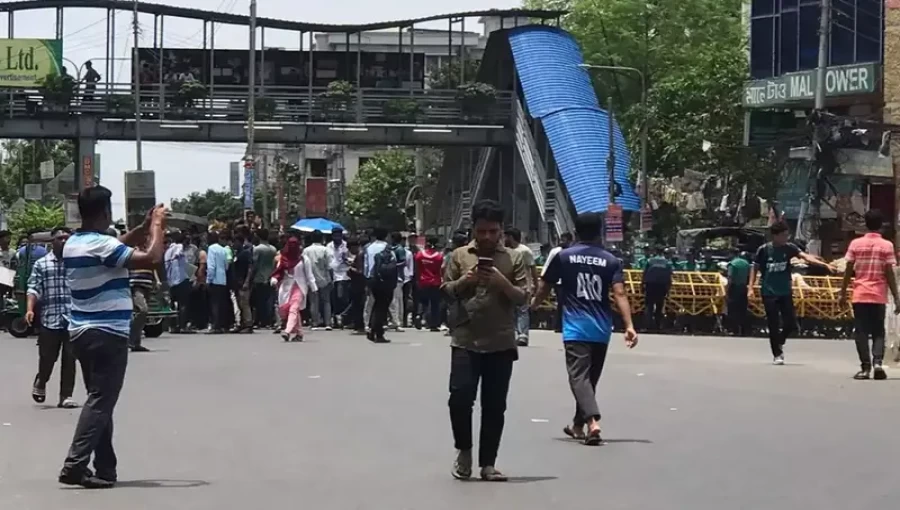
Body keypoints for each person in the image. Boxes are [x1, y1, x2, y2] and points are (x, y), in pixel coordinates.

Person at [58, 186, 167, 489]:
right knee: (101, 400)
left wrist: (142, 228)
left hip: (82, 332)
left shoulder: (76, 243)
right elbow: (152, 258)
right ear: (105, 212)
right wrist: (157, 225)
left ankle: (105, 468)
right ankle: (75, 464)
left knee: (100, 401)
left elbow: (116, 245)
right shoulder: (100, 245)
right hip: (108, 333)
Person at [532, 213, 638, 445]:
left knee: (578, 376)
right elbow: (619, 293)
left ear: (576, 231)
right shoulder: (611, 260)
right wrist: (629, 325)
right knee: (590, 378)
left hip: (575, 327)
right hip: (601, 328)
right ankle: (577, 425)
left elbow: (545, 286)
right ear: (599, 231)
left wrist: (532, 305)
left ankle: (592, 422)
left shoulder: (564, 256)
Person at [443, 200, 527, 482]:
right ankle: (464, 450)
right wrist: (467, 280)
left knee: (494, 405)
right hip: (465, 339)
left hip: (500, 342)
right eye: (482, 231)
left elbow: (524, 297)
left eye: (493, 231)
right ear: (473, 230)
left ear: (501, 230)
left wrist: (502, 283)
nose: (488, 237)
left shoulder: (514, 259)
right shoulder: (458, 255)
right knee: (460, 399)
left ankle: (488, 463)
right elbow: (447, 290)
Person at [749, 221, 834, 365]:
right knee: (773, 323)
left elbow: (806, 257)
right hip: (768, 291)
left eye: (786, 235)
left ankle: (780, 340)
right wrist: (750, 287)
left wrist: (824, 264)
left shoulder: (789, 248)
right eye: (783, 235)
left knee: (791, 323)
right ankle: (777, 353)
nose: (785, 238)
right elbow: (755, 268)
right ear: (775, 236)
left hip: (785, 291)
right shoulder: (764, 250)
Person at [839, 210, 900, 380]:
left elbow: (848, 269)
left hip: (860, 293)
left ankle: (865, 368)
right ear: (881, 226)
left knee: (861, 332)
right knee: (879, 331)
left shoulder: (855, 244)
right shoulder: (887, 245)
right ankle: (878, 363)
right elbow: (889, 272)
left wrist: (842, 293)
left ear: (865, 224)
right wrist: (896, 297)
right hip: (878, 294)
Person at [26, 227, 80, 409]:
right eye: (60, 238)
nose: (64, 241)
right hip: (50, 318)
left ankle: (66, 395)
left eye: (67, 238)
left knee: (70, 358)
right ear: (53, 241)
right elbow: (33, 288)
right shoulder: (42, 264)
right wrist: (30, 309)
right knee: (47, 358)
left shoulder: (76, 263)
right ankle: (41, 380)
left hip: (72, 318)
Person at [271, 234, 316, 342]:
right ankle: (299, 333)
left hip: (300, 287)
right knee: (288, 310)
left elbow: (309, 275)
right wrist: (274, 279)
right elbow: (278, 272)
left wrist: (314, 288)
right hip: (286, 288)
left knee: (294, 308)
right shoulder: (283, 259)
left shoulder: (304, 259)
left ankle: (287, 331)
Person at [504, 228, 538, 347]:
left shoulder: (524, 251)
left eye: (506, 236)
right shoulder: (505, 251)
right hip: (508, 284)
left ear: (511, 237)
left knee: (522, 310)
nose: (504, 239)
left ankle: (523, 335)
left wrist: (534, 286)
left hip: (523, 284)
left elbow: (532, 269)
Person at [368, 229, 399, 343]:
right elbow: (394, 266)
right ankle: (378, 333)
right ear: (386, 237)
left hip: (373, 280)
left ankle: (372, 329)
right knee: (382, 308)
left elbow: (368, 265)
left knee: (376, 306)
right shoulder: (389, 249)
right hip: (386, 282)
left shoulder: (369, 248)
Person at [127, 240, 157, 353]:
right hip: (136, 285)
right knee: (142, 310)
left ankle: (136, 343)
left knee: (142, 314)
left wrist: (156, 281)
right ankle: (131, 338)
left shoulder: (148, 253)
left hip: (147, 284)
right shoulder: (132, 252)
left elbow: (153, 268)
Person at [542, 232, 574, 333]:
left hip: (571, 281)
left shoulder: (572, 251)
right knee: (561, 302)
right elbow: (548, 264)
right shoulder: (555, 251)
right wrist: (543, 277)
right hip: (559, 282)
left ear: (570, 241)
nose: (562, 242)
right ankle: (559, 326)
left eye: (565, 240)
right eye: (561, 239)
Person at [303, 231, 334, 330]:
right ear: (322, 239)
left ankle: (315, 322)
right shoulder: (326, 250)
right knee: (326, 301)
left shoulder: (306, 250)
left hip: (311, 279)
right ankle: (328, 323)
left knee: (313, 301)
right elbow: (330, 266)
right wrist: (332, 278)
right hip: (324, 278)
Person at [414, 236, 444, 332]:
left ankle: (419, 315)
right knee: (434, 303)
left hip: (422, 281)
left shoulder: (419, 255)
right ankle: (433, 324)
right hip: (435, 282)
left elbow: (417, 269)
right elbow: (440, 270)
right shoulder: (439, 257)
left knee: (422, 301)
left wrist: (418, 279)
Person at [363, 228, 390, 329]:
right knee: (382, 303)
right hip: (384, 278)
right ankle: (379, 324)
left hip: (371, 277)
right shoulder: (387, 247)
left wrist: (366, 277)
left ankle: (367, 322)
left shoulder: (369, 247)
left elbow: (366, 264)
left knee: (370, 302)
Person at [165, 232, 191, 334]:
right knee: (183, 304)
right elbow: (178, 252)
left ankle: (173, 326)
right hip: (181, 279)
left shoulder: (168, 251)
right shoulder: (179, 247)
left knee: (172, 303)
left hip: (171, 280)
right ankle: (182, 326)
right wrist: (178, 255)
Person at [642, 248, 673, 333]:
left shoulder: (649, 261)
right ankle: (658, 326)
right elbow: (670, 276)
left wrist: (642, 285)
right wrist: (668, 289)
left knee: (649, 307)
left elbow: (644, 273)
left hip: (650, 286)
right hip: (662, 287)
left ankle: (648, 327)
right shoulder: (667, 262)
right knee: (659, 307)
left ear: (655, 252)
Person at [251, 229, 277, 329]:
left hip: (259, 277)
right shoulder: (273, 249)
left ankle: (261, 320)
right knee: (268, 300)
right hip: (270, 275)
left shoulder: (257, 249)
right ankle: (268, 320)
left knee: (259, 301)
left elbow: (255, 264)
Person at [206, 232, 229, 334]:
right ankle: (221, 325)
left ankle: (215, 325)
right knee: (221, 303)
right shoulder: (223, 249)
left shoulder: (211, 249)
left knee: (214, 303)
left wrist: (208, 280)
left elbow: (211, 266)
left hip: (214, 279)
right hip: (223, 279)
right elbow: (226, 265)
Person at [232, 231, 255, 333]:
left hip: (244, 282)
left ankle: (248, 324)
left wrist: (247, 281)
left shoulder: (246, 253)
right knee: (240, 303)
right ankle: (242, 323)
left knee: (245, 303)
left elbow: (250, 268)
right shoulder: (236, 253)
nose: (233, 244)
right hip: (237, 282)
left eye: (235, 242)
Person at [327, 228, 351, 328]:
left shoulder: (346, 246)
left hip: (344, 275)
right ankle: (336, 318)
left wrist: (347, 259)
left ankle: (343, 317)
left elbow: (351, 258)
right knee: (334, 298)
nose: (337, 237)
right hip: (332, 274)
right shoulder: (329, 246)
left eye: (338, 235)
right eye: (335, 235)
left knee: (342, 297)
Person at [725, 250, 752, 336]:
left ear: (733, 254)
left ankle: (734, 330)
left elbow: (730, 277)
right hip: (744, 288)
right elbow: (750, 276)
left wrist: (726, 290)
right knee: (742, 310)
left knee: (732, 310)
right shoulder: (746, 264)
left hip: (734, 288)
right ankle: (744, 330)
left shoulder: (732, 264)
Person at [345, 237, 367, 334]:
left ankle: (359, 325)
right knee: (357, 305)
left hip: (359, 284)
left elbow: (360, 271)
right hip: (357, 284)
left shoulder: (360, 255)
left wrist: (350, 268)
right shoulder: (360, 255)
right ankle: (357, 324)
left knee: (358, 305)